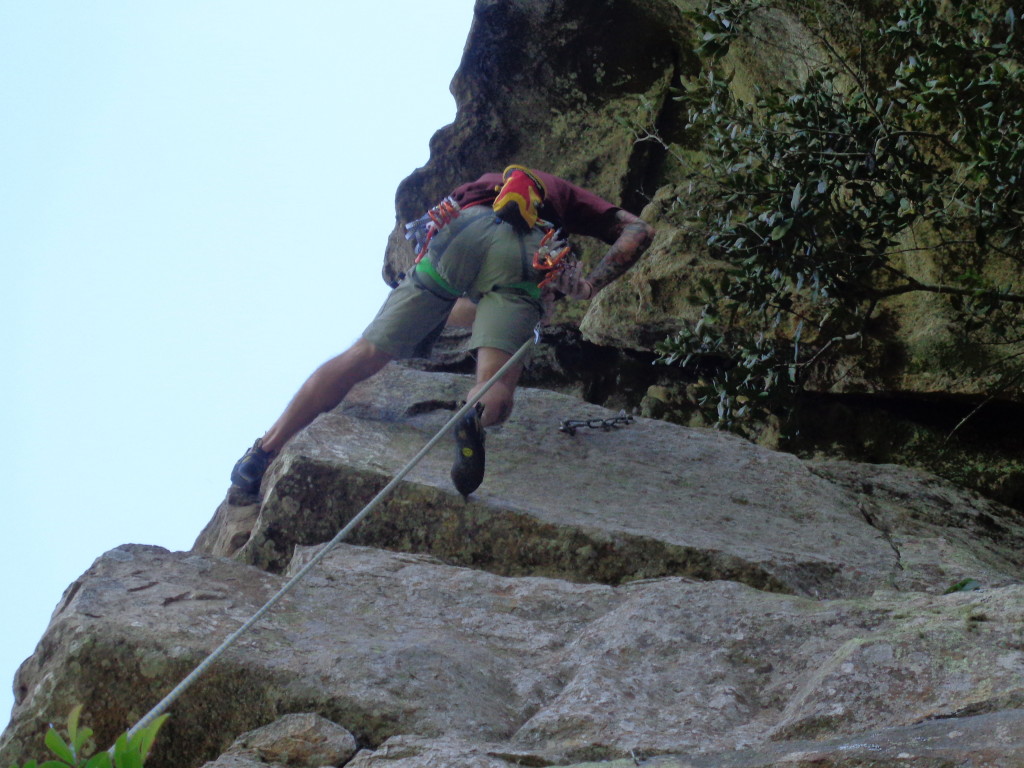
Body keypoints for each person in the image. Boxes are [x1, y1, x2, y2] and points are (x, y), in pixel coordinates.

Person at [230, 165, 654, 497]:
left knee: (363, 354)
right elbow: (638, 230)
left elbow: (458, 305)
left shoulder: (487, 182)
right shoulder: (570, 198)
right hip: (525, 253)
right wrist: (587, 286)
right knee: (494, 384)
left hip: (456, 229)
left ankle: (263, 451)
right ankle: (475, 413)